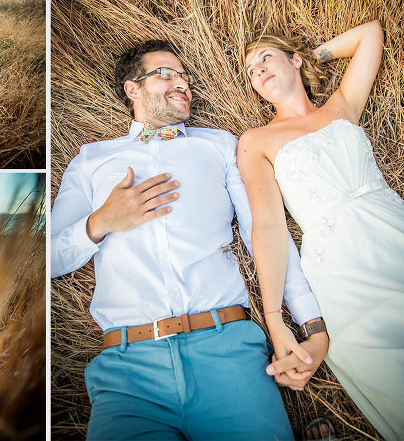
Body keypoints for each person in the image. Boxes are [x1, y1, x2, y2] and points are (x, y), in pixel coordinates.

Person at [51, 39, 329, 440]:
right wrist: (101, 221)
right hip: (130, 371)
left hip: (228, 350)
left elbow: (264, 233)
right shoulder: (92, 159)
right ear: (133, 88)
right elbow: (51, 258)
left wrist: (309, 322)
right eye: (166, 73)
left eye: (184, 76)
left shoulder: (218, 145)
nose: (182, 83)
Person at [239, 20, 404, 441]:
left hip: (396, 231)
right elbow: (267, 228)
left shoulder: (342, 106)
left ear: (293, 60)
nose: (258, 70)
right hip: (340, 267)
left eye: (266, 58)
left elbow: (370, 34)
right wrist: (275, 318)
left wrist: (309, 56)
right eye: (250, 70)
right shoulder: (256, 141)